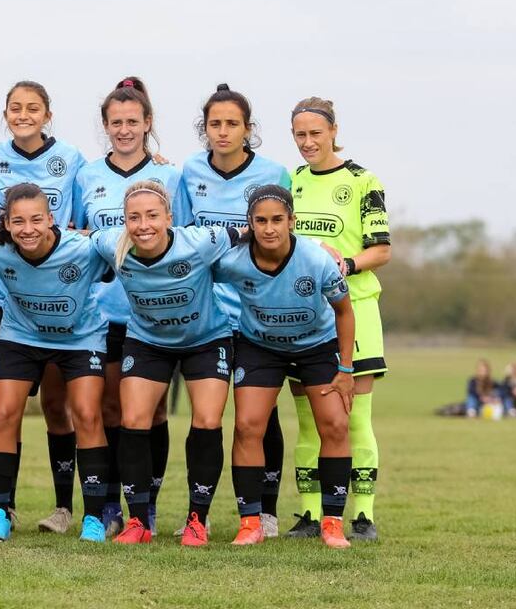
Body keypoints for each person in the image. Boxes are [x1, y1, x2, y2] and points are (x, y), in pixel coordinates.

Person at [90, 180, 241, 546]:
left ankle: (197, 520)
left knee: (206, 420)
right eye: (134, 217)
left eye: (153, 216)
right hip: (148, 341)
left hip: (206, 339)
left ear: (170, 217)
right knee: (134, 421)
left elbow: (252, 233)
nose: (144, 225)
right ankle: (138, 521)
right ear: (124, 221)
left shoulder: (200, 241)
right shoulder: (111, 245)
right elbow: (76, 238)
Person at [174, 83, 292, 537]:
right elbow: (183, 236)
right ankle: (198, 515)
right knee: (209, 416)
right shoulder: (188, 172)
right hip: (207, 312)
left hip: (257, 310)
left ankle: (265, 510)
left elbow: (280, 239)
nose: (222, 132)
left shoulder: (273, 173)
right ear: (204, 130)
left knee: (262, 416)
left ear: (248, 129)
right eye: (214, 124)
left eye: (232, 124)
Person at [0, 81, 87, 533]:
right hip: (5, 302)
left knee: (59, 406)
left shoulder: (73, 160)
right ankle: (3, 508)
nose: (24, 114)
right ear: (5, 114)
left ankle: (63, 508)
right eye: (16, 108)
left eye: (33, 108)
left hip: (57, 301)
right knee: (6, 409)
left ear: (48, 114)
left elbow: (79, 225)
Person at [72, 76, 181, 536]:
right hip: (103, 314)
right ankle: (113, 504)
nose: (124, 129)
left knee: (153, 413)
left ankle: (148, 503)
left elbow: (183, 244)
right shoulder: (87, 176)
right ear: (105, 126)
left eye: (132, 121)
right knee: (112, 412)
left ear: (147, 123)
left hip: (153, 315)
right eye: (115, 122)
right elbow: (78, 239)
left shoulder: (170, 176)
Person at [0, 183, 111, 543]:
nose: (28, 229)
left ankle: (94, 517)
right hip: (22, 338)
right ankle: (0, 512)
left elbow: (126, 245)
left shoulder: (84, 249)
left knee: (86, 413)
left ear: (52, 219)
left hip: (80, 338)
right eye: (18, 221)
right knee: (2, 414)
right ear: (6, 223)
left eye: (36, 219)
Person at [219, 185, 356, 549]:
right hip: (259, 347)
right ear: (249, 224)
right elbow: (198, 273)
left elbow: (344, 310)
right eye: (260, 221)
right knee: (248, 426)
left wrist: (345, 369)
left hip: (317, 346)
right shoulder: (232, 260)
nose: (269, 228)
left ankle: (332, 523)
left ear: (292, 221)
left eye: (277, 220)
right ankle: (250, 523)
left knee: (336, 424)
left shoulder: (316, 260)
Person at [287, 96, 391, 541]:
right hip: (300, 317)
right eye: (299, 135)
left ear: (333, 130)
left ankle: (362, 515)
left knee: (354, 417)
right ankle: (311, 515)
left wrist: (344, 264)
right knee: (310, 420)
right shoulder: (290, 181)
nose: (308, 142)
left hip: (357, 311)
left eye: (315, 133)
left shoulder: (363, 180)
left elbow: (381, 249)